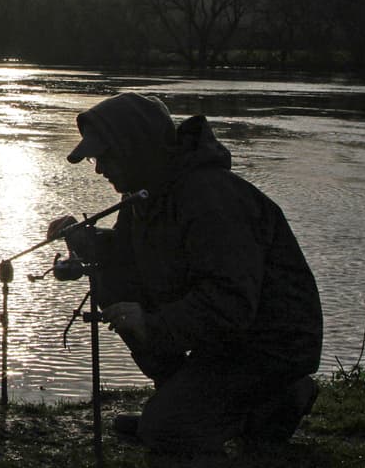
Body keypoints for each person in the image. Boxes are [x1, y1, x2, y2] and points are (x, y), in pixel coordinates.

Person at [47, 92, 323, 459]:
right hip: (230, 339)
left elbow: (230, 303)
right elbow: (129, 260)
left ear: (135, 149)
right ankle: (193, 397)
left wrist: (155, 325)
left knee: (168, 432)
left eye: (105, 157)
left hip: (272, 343)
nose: (99, 169)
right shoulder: (146, 196)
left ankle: (258, 399)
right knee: (116, 287)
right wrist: (86, 241)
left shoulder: (211, 198)